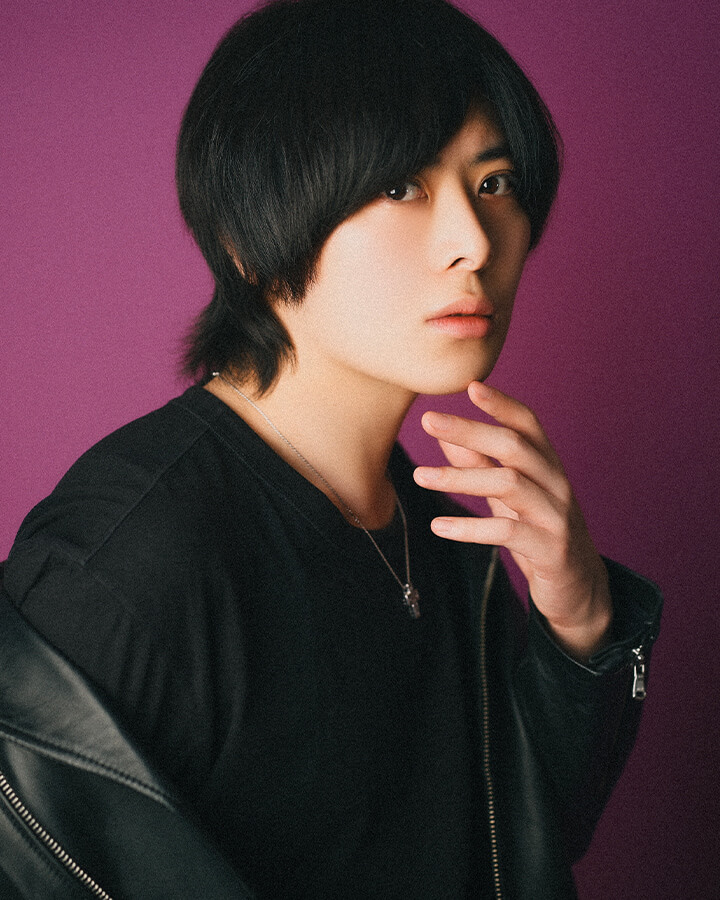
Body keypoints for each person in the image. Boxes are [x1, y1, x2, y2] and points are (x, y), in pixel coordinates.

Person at [0, 0, 662, 897]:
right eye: (400, 188)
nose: (473, 243)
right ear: (250, 238)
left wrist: (580, 620)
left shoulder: (445, 534)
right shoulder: (125, 567)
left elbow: (532, 836)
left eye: (494, 182)